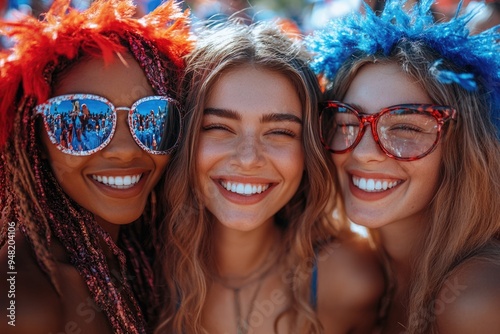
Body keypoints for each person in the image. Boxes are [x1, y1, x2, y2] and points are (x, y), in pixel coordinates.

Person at [154, 21, 384, 334]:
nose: (248, 159)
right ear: (183, 136)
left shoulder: (351, 278)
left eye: (279, 132)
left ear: (309, 148)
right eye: (218, 127)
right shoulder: (141, 270)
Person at [306, 0, 500, 332]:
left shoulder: (475, 300)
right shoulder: (352, 262)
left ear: (462, 148)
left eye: (406, 128)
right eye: (346, 122)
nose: (365, 152)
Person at [0, 0, 192, 333]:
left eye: (152, 118)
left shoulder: (149, 258)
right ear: (35, 139)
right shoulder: (24, 304)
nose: (124, 151)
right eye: (80, 121)